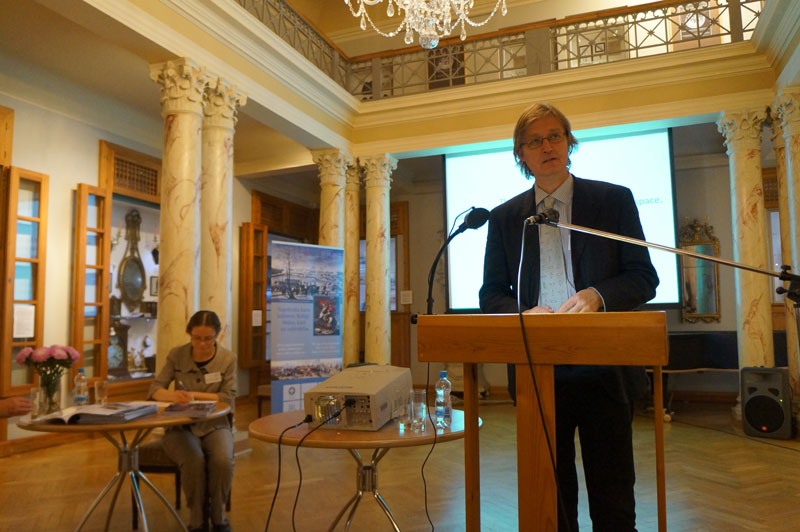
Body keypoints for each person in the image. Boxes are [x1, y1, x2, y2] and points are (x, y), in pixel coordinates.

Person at [479, 102, 659, 532]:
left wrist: (598, 295)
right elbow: (491, 294)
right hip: (538, 370)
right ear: (521, 154)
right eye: (535, 141)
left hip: (605, 366)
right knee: (552, 501)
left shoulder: (612, 200)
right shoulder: (505, 218)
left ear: (569, 142)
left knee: (613, 499)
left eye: (555, 136)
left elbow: (643, 277)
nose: (547, 146)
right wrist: (524, 313)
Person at [148, 310, 236, 532]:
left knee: (223, 460)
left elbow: (227, 397)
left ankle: (218, 515)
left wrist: (194, 395)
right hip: (180, 426)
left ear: (217, 335)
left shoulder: (227, 359)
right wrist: (173, 396)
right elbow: (155, 390)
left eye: (208, 338)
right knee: (194, 460)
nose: (202, 344)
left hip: (215, 424)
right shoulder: (177, 355)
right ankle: (197, 519)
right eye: (197, 338)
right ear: (189, 334)